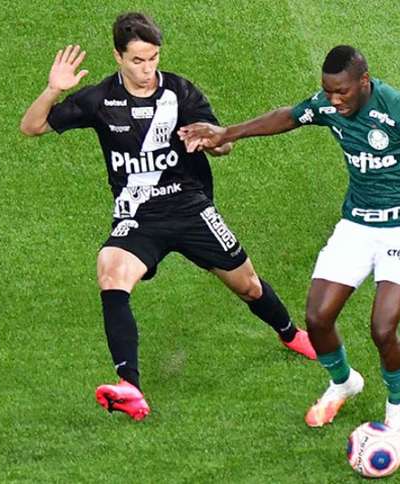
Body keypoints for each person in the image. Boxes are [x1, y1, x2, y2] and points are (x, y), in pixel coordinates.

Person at [179, 45, 400, 439]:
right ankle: (344, 383)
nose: (334, 101)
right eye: (328, 92)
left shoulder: (397, 110)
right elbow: (289, 116)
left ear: (364, 83)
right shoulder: (328, 104)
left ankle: (398, 408)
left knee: (382, 328)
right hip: (357, 225)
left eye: (342, 93)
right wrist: (227, 132)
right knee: (319, 317)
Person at [19, 12, 316, 421]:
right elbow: (31, 127)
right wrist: (53, 90)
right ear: (118, 56)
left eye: (153, 58)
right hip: (138, 214)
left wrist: (212, 142)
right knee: (110, 269)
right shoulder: (99, 99)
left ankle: (291, 334)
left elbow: (223, 144)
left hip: (191, 207)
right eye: (138, 60)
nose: (147, 69)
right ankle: (130, 387)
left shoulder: (180, 92)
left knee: (247, 285)